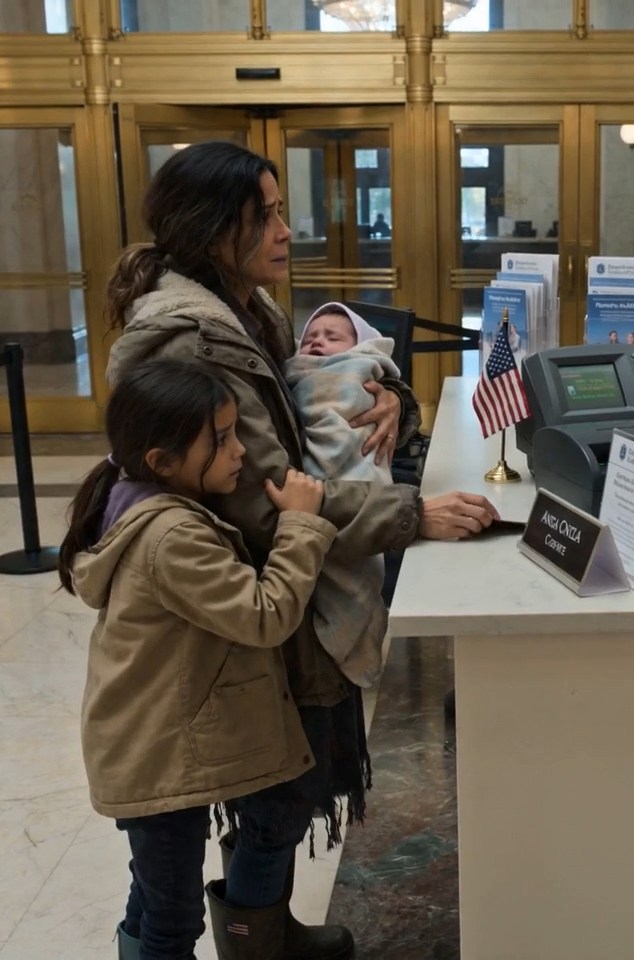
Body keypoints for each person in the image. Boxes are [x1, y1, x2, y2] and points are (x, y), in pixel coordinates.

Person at [103, 140, 499, 960]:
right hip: (233, 598)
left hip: (276, 576)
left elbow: (318, 397)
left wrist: (390, 397)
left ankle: (266, 933)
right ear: (213, 228)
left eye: (283, 211)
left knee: (279, 788)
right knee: (238, 815)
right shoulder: (191, 339)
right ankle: (257, 937)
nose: (287, 232)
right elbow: (264, 496)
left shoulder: (250, 310)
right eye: (267, 216)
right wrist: (409, 515)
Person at [59, 360, 332, 960]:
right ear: (162, 461)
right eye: (222, 439)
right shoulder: (172, 537)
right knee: (172, 917)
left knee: (155, 895)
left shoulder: (137, 497)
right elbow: (265, 614)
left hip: (150, 742)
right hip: (155, 755)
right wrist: (300, 526)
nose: (240, 451)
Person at [286, 301, 399, 687]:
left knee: (358, 566)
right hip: (317, 495)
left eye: (332, 337)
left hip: (352, 480)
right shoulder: (293, 373)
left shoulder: (359, 370)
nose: (317, 343)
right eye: (310, 338)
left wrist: (392, 395)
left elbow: (358, 410)